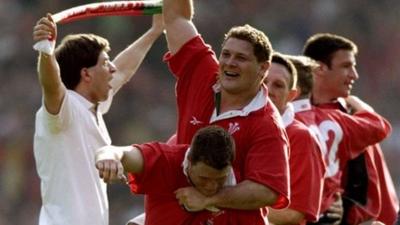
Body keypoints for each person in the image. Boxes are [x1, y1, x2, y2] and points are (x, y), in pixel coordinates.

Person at [161, 0, 290, 221]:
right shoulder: (203, 72)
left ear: (263, 68)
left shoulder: (267, 124)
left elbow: (267, 190)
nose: (230, 63)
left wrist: (210, 198)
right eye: (226, 54)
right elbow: (176, 17)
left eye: (241, 58)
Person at [32, 13, 164, 225]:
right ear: (86, 74)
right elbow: (50, 84)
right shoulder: (66, 108)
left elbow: (123, 70)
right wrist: (46, 50)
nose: (112, 68)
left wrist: (155, 30)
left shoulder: (93, 108)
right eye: (105, 63)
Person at [303, 33, 399, 225]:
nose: (354, 74)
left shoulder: (351, 117)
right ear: (319, 68)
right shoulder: (298, 117)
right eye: (346, 66)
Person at [96, 125, 261, 224]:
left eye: (220, 179)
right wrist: (108, 159)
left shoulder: (245, 191)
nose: (212, 186)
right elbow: (116, 152)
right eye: (204, 178)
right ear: (189, 161)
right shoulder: (166, 161)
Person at [264, 53, 325, 225]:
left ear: (291, 95)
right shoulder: (233, 124)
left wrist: (227, 202)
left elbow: (293, 214)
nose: (268, 90)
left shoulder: (301, 138)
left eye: (278, 85)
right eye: (263, 82)